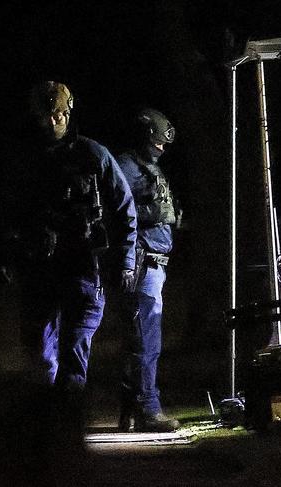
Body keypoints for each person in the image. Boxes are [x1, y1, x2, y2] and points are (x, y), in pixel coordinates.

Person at [2, 80, 137, 392]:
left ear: (69, 112)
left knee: (74, 355)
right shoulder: (25, 161)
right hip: (39, 271)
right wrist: (5, 255)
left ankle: (66, 427)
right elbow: (5, 213)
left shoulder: (93, 154)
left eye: (60, 114)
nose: (54, 121)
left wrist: (126, 261)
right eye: (47, 115)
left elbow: (123, 207)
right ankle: (46, 425)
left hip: (84, 269)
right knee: (39, 356)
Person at [115, 108, 182, 432]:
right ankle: (148, 410)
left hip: (154, 261)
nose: (161, 148)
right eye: (157, 142)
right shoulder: (125, 167)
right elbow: (116, 214)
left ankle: (130, 409)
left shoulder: (146, 165)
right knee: (146, 340)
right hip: (143, 263)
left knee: (139, 339)